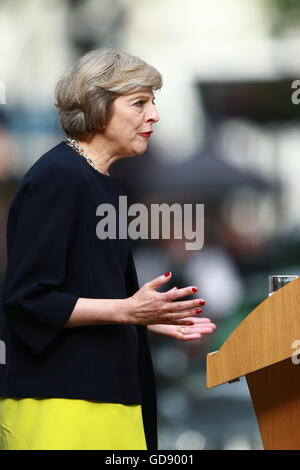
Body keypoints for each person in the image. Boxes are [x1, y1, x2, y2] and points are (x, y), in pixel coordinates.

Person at [0, 47, 216, 450]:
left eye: (154, 103)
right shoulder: (60, 178)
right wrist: (127, 311)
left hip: (106, 399)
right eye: (139, 103)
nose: (153, 115)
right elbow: (27, 299)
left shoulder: (95, 181)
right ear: (98, 107)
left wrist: (145, 319)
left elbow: (79, 293)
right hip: (62, 406)